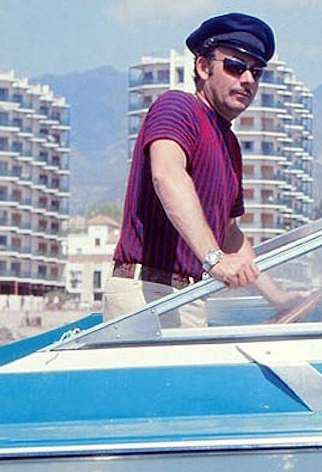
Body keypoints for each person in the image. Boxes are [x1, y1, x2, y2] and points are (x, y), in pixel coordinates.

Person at [104, 12, 299, 326]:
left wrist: (277, 297)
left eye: (256, 72)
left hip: (190, 296)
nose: (247, 79)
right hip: (147, 292)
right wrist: (214, 260)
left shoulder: (230, 144)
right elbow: (166, 175)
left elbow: (229, 234)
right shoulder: (177, 108)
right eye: (235, 66)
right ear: (203, 66)